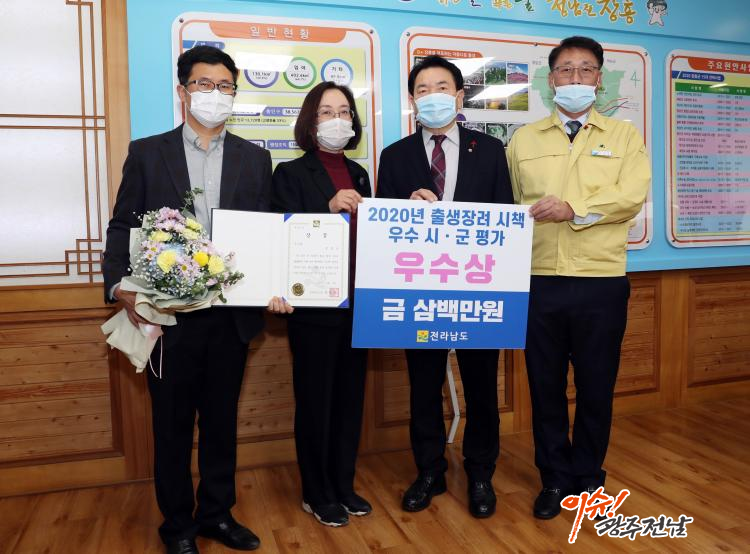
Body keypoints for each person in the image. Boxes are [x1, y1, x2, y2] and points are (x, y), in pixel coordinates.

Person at [103, 45, 272, 554]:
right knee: (172, 426)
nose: (214, 94)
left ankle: (217, 515)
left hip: (231, 315)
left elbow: (266, 233)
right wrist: (119, 285)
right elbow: (122, 225)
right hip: (168, 316)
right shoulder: (147, 152)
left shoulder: (255, 158)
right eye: (203, 84)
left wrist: (278, 283)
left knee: (221, 423)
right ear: (183, 91)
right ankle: (177, 526)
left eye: (224, 86)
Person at [506, 36, 651, 520]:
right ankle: (553, 479)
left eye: (585, 69)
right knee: (544, 388)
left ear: (599, 79)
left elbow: (630, 197)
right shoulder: (524, 140)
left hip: (600, 281)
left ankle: (588, 478)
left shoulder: (624, 137)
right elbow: (507, 205)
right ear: (551, 81)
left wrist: (575, 208)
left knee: (596, 386)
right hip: (539, 279)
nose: (575, 78)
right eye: (565, 70)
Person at [377, 55, 514, 518]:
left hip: (478, 290)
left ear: (458, 96)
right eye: (422, 89)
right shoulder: (395, 156)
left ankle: (480, 473)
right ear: (412, 99)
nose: (431, 95)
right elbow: (383, 229)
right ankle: (429, 470)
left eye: (441, 87)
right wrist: (406, 206)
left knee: (481, 387)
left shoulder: (490, 150)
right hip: (419, 291)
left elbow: (505, 218)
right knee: (423, 385)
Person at [269, 81, 372, 527]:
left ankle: (343, 484)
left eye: (344, 112)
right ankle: (316, 491)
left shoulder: (361, 174)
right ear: (310, 123)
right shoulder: (289, 173)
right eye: (327, 112)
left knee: (350, 400)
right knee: (316, 402)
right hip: (312, 307)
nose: (337, 120)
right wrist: (327, 207)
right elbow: (281, 233)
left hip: (358, 304)